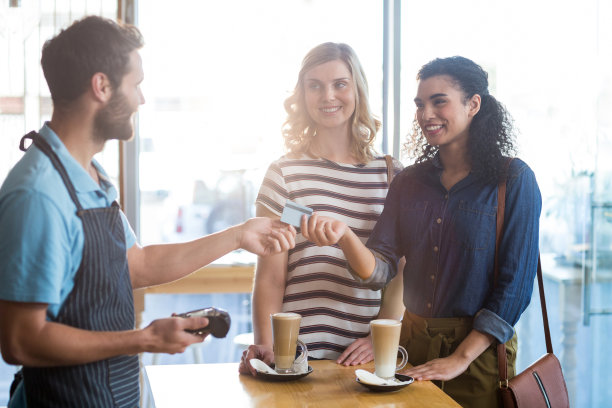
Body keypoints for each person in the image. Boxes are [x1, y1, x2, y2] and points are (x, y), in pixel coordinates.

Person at [0, 16, 296, 408]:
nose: (141, 99)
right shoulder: (39, 194)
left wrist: (239, 235)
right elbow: (21, 340)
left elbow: (136, 265)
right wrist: (146, 339)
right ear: (102, 86)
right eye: (136, 84)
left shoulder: (90, 176)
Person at [301, 56, 541, 408]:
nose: (426, 113)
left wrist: (461, 358)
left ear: (473, 104)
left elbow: (515, 289)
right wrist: (345, 237)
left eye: (439, 101)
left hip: (479, 356)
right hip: (410, 349)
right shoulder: (408, 182)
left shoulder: (514, 180)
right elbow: (380, 270)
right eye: (420, 104)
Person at [239, 42, 405, 376]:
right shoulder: (284, 173)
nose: (327, 96)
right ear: (302, 94)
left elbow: (402, 271)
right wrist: (268, 349)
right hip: (295, 355)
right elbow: (271, 276)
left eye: (339, 84)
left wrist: (381, 335)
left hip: (365, 359)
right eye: (315, 85)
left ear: (356, 89)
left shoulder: (390, 175)